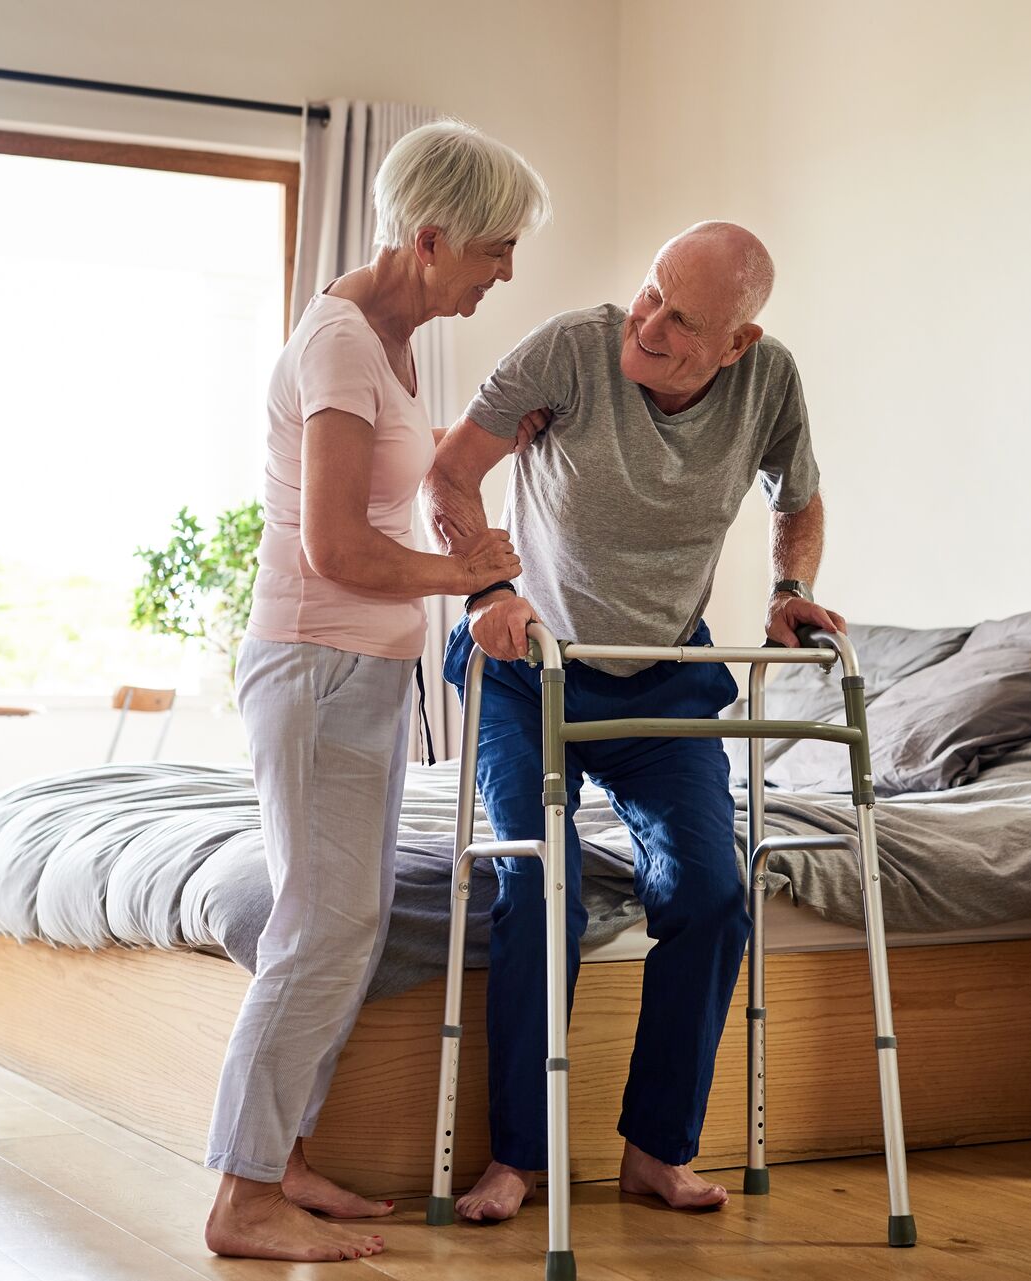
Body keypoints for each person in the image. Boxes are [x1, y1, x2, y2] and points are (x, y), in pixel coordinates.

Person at [423, 220, 847, 1223]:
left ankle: (656, 1150)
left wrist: (791, 589)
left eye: (682, 318)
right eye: (651, 293)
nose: (648, 323)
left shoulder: (769, 381)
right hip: (533, 669)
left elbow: (803, 499)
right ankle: (517, 1158)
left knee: (709, 889)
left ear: (738, 342)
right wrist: (488, 588)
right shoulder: (572, 350)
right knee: (542, 874)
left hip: (666, 677)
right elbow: (449, 473)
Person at [202, 119, 547, 1263]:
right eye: (496, 248)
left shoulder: (391, 347)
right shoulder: (344, 347)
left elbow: (397, 475)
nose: (506, 271)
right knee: (322, 927)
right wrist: (479, 576)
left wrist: (479, 470)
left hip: (365, 670)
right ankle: (240, 1197)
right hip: (318, 662)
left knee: (342, 931)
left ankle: (286, 1161)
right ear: (433, 237)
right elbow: (339, 550)